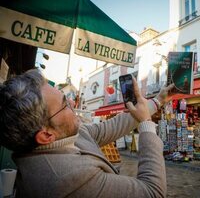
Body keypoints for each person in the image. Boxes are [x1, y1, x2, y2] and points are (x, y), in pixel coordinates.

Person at [0, 69, 174, 198]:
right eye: (64, 104)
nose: (70, 101)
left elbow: (109, 128)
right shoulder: (67, 178)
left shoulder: (64, 133)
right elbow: (153, 192)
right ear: (46, 135)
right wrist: (146, 124)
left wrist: (158, 100)